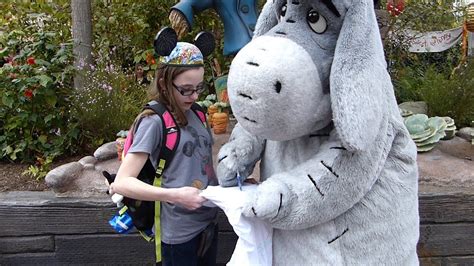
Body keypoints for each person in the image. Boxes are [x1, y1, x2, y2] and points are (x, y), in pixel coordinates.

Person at [110, 41, 218, 266]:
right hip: (177, 236)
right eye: (186, 89)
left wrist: (235, 184)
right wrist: (175, 195)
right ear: (164, 83)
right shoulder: (154, 122)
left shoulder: (198, 114)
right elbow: (122, 183)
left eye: (199, 88)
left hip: (208, 222)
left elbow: (204, 165)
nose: (194, 96)